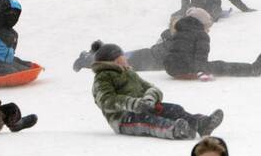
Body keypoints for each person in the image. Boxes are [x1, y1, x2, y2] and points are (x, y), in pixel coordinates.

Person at [90, 42, 224, 139]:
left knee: (174, 109)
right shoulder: (102, 78)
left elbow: (150, 87)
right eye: (120, 59)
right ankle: (175, 129)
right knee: (147, 120)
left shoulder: (129, 72)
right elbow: (106, 100)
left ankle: (200, 123)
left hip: (144, 106)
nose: (125, 60)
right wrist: (133, 103)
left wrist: (149, 99)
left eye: (123, 57)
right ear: (112, 62)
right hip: (124, 119)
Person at [71, 9, 208, 73]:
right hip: (146, 57)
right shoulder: (174, 39)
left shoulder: (180, 39)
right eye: (173, 27)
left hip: (147, 57)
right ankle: (87, 59)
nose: (176, 30)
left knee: (117, 58)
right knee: (115, 62)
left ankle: (94, 54)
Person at [164, 11, 261, 79]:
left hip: (171, 68)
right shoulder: (201, 35)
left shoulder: (180, 31)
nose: (209, 29)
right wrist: (201, 72)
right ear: (201, 23)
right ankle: (253, 69)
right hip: (186, 69)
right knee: (221, 66)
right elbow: (201, 58)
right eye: (208, 26)